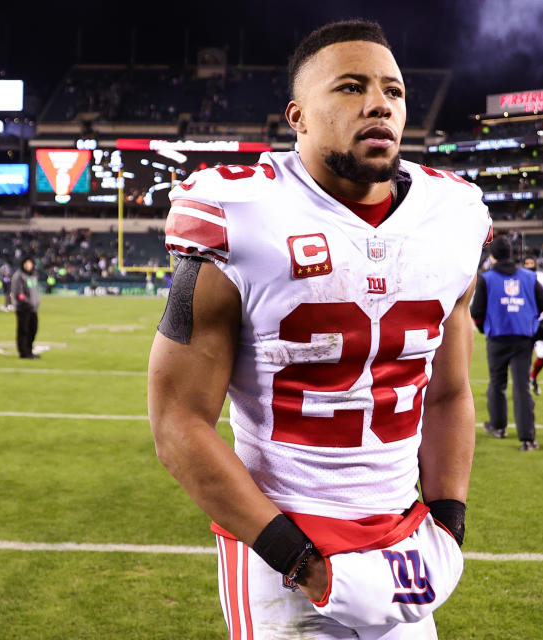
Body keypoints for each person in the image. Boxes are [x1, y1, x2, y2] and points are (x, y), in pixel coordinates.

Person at [148, 20, 491, 639]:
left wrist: (447, 521)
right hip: (278, 539)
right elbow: (177, 422)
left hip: (402, 538)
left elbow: (447, 392)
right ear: (297, 115)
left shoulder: (455, 216)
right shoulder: (240, 214)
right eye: (351, 87)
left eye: (393, 90)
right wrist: (299, 561)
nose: (379, 103)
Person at [470, 236, 543, 450]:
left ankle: (498, 426)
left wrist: (484, 327)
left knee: (497, 383)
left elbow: (476, 312)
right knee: (522, 387)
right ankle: (527, 438)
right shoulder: (528, 277)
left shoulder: (487, 279)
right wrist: (526, 315)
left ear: (493, 256)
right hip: (523, 338)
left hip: (497, 337)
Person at [523, 257, 543, 396]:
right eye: (527, 263)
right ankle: (523, 384)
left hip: (540, 321)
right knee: (523, 357)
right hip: (524, 322)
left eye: (531, 263)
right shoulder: (519, 277)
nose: (529, 266)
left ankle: (532, 377)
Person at [11, 258, 40, 359]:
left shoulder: (33, 275)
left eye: (30, 263)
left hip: (33, 308)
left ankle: (29, 350)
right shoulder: (18, 276)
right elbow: (18, 293)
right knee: (24, 330)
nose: (28, 265)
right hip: (23, 308)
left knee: (33, 329)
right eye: (26, 263)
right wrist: (26, 302)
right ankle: (24, 352)